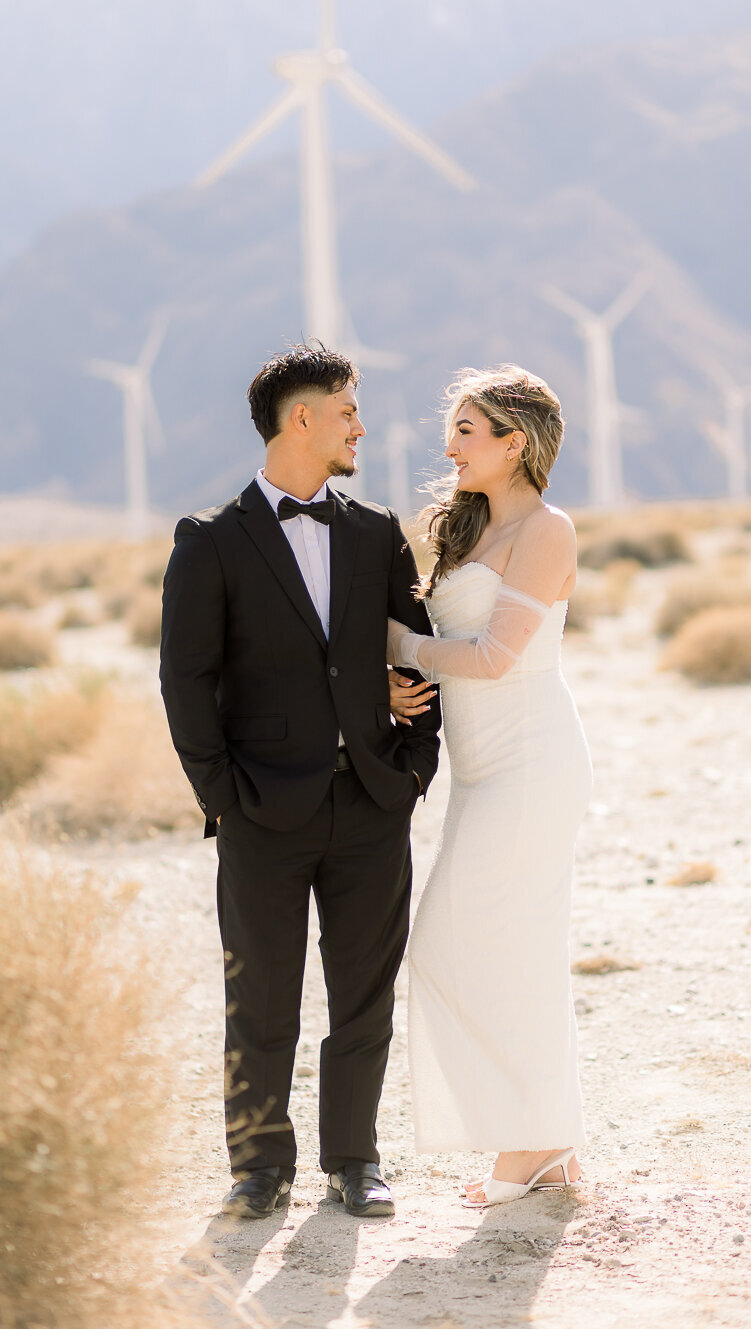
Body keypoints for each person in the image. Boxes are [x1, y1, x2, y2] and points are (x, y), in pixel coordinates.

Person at [160, 343, 440, 1219]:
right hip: (261, 811)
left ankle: (354, 1160)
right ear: (303, 418)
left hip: (370, 802)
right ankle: (258, 1167)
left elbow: (416, 654)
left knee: (364, 996)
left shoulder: (374, 532)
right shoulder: (209, 540)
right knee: (262, 997)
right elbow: (184, 680)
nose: (362, 425)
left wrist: (414, 760)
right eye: (349, 409)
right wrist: (222, 797)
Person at [386, 365, 591, 1208]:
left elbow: (496, 657)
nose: (451, 446)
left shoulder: (548, 531)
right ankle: (546, 1143)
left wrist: (400, 649)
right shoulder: (464, 531)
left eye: (467, 431)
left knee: (470, 945)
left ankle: (534, 1143)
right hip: (479, 769)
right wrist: (402, 682)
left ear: (515, 443)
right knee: (485, 949)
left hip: (533, 763)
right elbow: (457, 652)